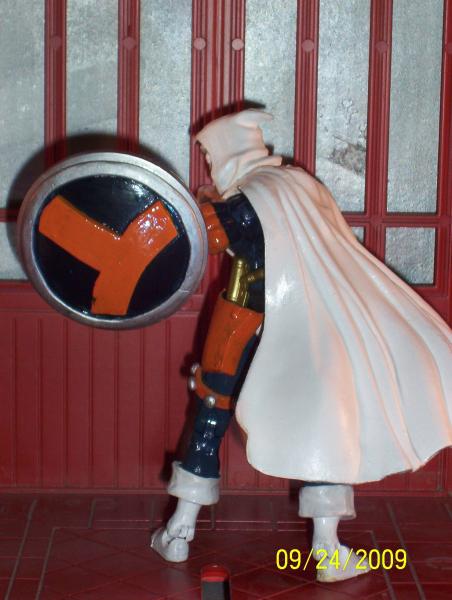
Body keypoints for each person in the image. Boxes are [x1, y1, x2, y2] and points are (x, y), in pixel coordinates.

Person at [151, 109, 452, 582]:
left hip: (243, 324)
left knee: (213, 411)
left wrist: (189, 209)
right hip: (312, 326)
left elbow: (201, 234)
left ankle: (179, 531)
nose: (210, 165)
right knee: (323, 424)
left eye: (211, 155)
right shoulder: (302, 186)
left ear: (228, 153)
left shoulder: (247, 202)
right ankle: (327, 549)